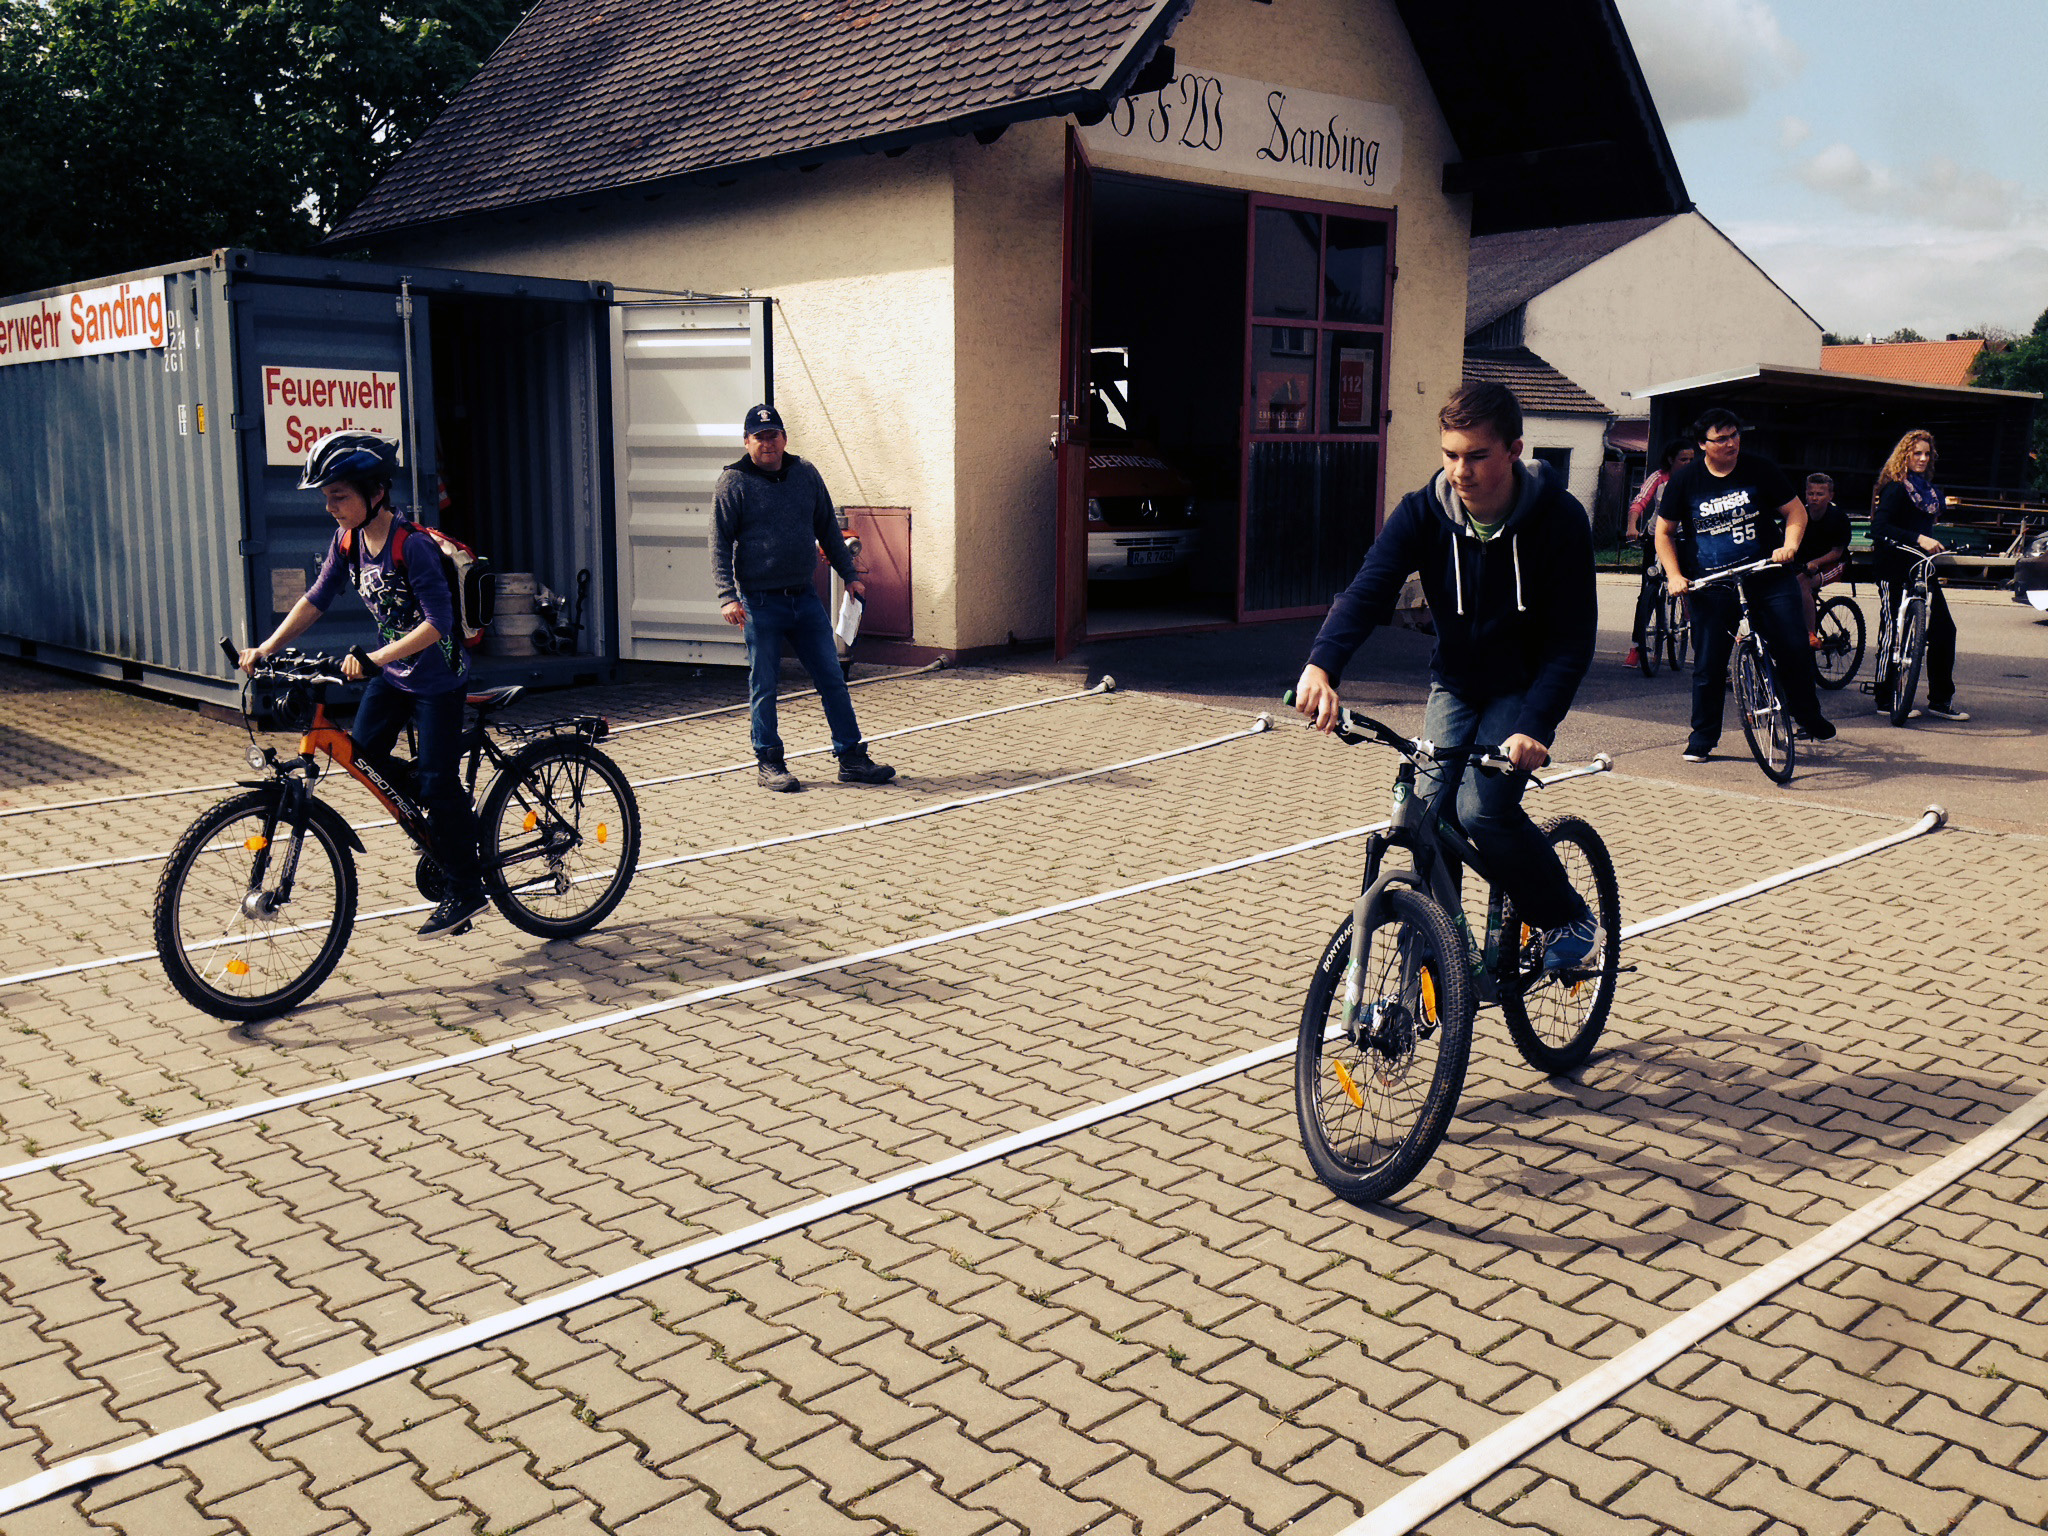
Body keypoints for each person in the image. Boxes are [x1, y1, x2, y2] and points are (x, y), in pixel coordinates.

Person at [1293, 381, 1602, 973]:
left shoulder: (1558, 519)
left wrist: (1536, 725)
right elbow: (1367, 591)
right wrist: (1321, 666)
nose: (1461, 471)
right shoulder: (1423, 512)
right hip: (1456, 683)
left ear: (1513, 450)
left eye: (1477, 456)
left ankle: (1568, 918)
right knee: (1427, 816)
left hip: (1522, 687)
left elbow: (1571, 641)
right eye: (1450, 455)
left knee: (1480, 811)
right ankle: (1440, 955)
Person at [239, 431, 486, 938]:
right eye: (326, 497)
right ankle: (443, 810)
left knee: (437, 783)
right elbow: (316, 598)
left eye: (339, 496)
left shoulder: (411, 546)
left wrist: (374, 658)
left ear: (376, 492)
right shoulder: (347, 541)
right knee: (363, 756)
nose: (330, 507)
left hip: (437, 678)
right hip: (393, 675)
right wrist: (268, 647)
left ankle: (466, 888)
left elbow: (437, 624)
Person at [714, 404, 895, 791]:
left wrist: (850, 576)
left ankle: (851, 758)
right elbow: (719, 543)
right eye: (759, 437)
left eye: (773, 435)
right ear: (746, 442)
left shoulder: (805, 473)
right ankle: (769, 762)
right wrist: (728, 596)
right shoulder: (733, 482)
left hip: (805, 598)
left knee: (832, 678)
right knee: (765, 685)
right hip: (760, 602)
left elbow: (827, 528)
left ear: (784, 439)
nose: (768, 444)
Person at [1654, 409, 1834, 763]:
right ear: (1703, 444)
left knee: (1793, 645)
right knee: (1708, 664)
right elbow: (1664, 532)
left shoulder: (1760, 469)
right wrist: (1675, 575)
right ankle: (1702, 737)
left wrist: (1790, 546)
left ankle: (1807, 714)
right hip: (1712, 583)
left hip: (1766, 574)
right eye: (1721, 438)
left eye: (1735, 435)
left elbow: (1795, 512)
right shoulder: (1686, 480)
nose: (1731, 443)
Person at [1871, 429, 1967, 721]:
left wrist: (1930, 542)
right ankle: (1885, 697)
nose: (1923, 459)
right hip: (1893, 566)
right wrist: (1918, 538)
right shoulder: (1895, 488)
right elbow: (1879, 527)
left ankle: (1940, 700)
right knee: (1892, 631)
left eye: (1927, 454)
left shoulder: (1928, 491)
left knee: (1944, 630)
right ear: (1905, 456)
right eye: (1917, 454)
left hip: (1921, 567)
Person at [1624, 439, 1695, 669]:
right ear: (1671, 460)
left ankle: (1690, 625)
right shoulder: (1659, 477)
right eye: (1683, 459)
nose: (1688, 463)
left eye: (1691, 459)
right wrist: (1632, 527)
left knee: (1690, 585)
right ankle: (1637, 646)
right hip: (1656, 536)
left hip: (1684, 536)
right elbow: (1639, 502)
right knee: (1648, 589)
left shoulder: (1698, 478)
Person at [1794, 472, 1852, 641]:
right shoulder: (1800, 514)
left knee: (1803, 583)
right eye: (1811, 493)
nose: (1814, 498)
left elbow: (1837, 552)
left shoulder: (1838, 517)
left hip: (1833, 563)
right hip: (1804, 563)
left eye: (1820, 494)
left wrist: (1815, 562)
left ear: (1830, 496)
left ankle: (1810, 634)